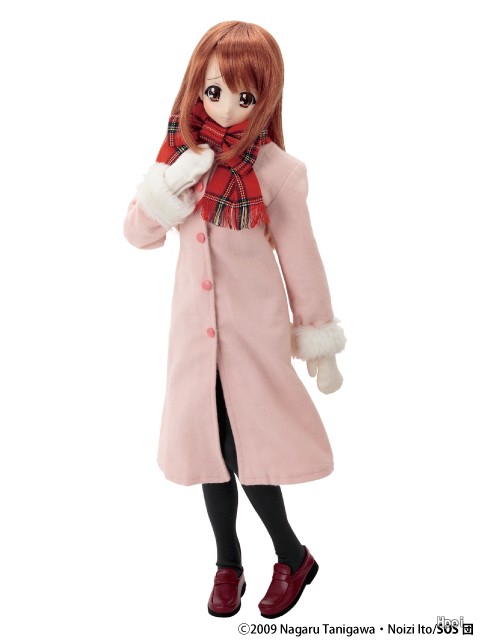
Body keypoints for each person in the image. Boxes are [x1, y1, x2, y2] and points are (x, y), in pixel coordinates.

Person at [123, 20, 346, 619]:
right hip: (193, 337)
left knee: (247, 449)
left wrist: (319, 339)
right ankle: (228, 562)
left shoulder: (276, 171)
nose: (225, 107)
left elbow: (302, 261)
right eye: (215, 90)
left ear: (265, 99)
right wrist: (171, 184)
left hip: (253, 337)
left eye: (245, 96)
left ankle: (292, 555)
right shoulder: (181, 157)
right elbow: (137, 234)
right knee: (208, 445)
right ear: (197, 85)